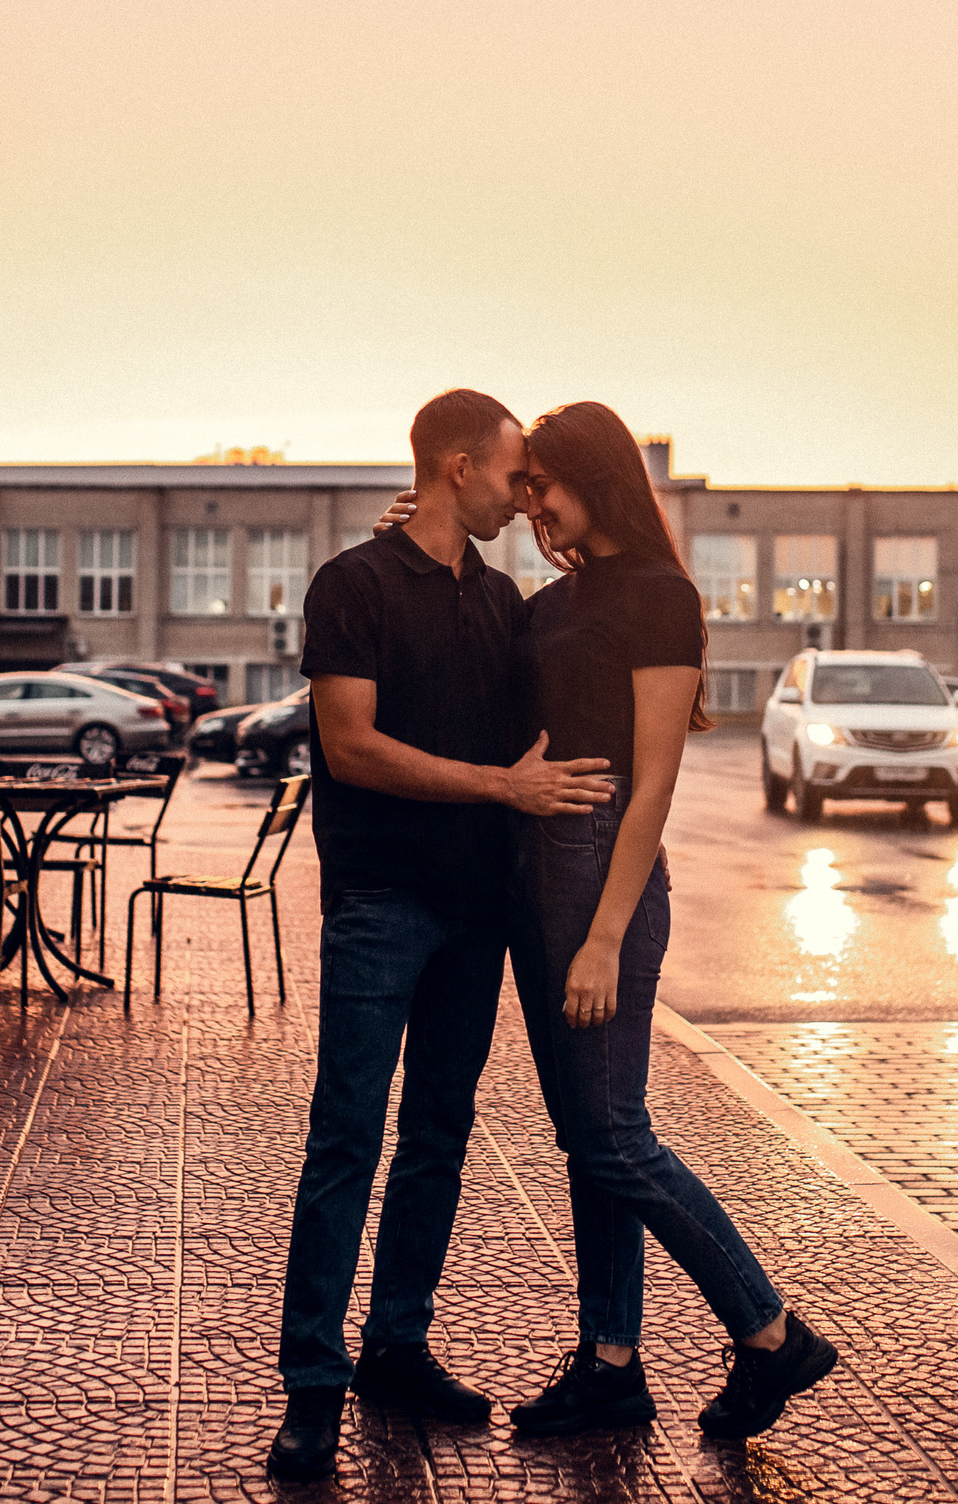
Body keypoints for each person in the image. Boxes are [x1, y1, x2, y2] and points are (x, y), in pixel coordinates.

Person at [374, 401, 837, 1442]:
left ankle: (770, 1331)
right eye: (522, 482)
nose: (530, 498)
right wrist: (408, 534)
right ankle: (611, 1360)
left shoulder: (659, 598)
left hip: (599, 872)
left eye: (543, 482)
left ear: (595, 478)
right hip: (532, 867)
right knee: (588, 1139)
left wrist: (603, 934)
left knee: (616, 1135)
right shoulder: (559, 600)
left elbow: (654, 780)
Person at [268, 389, 615, 1482]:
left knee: (437, 1139)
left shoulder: (504, 598)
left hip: (475, 916)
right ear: (456, 465)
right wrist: (498, 788)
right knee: (345, 1139)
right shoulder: (352, 583)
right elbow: (353, 745)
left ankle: (397, 1346)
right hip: (379, 901)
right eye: (512, 473)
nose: (523, 494)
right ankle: (313, 1386)